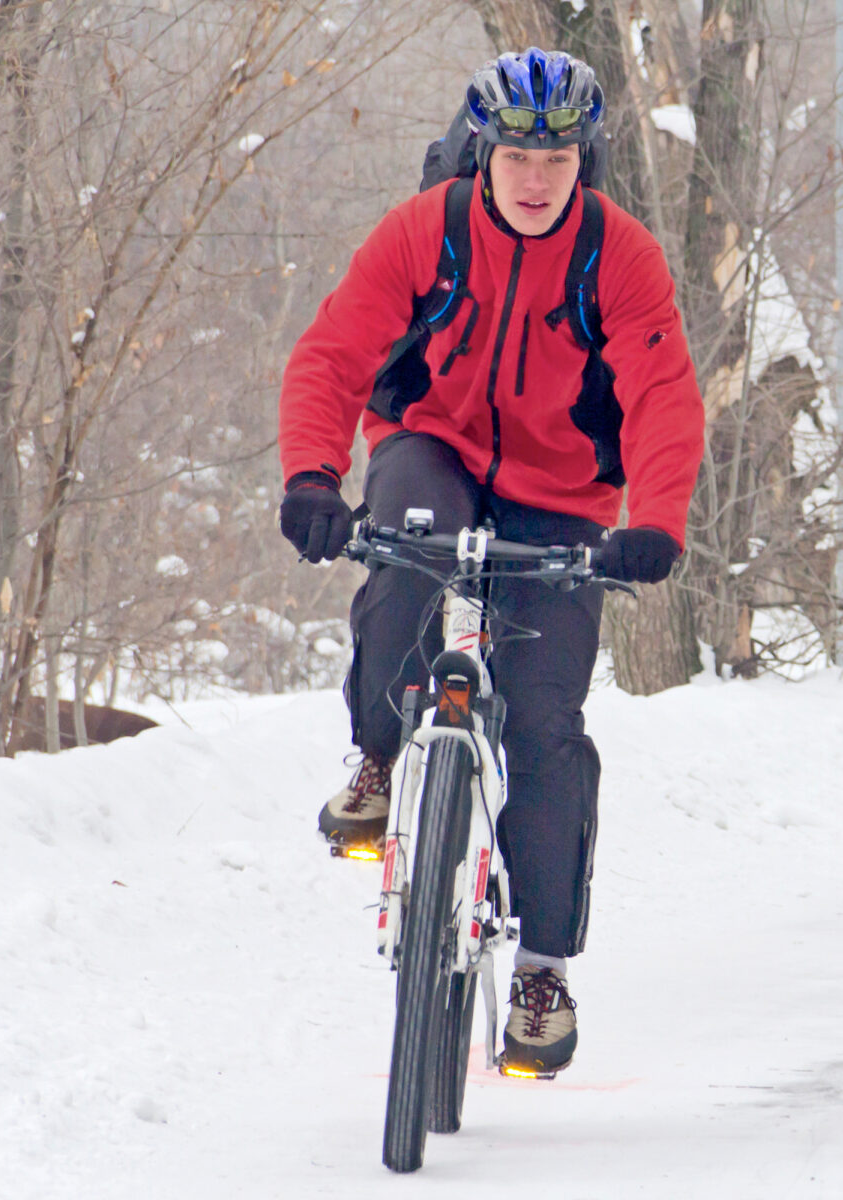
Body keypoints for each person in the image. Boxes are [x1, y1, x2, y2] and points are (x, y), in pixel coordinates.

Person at [278, 48, 705, 1075]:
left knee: (546, 724)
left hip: (563, 496)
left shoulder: (620, 255)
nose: (534, 178)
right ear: (482, 153)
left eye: (555, 159)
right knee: (403, 565)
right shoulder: (424, 230)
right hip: (433, 444)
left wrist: (654, 521)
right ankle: (379, 756)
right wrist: (310, 477)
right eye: (515, 155)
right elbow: (334, 355)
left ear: (583, 161)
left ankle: (541, 971)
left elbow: (660, 395)